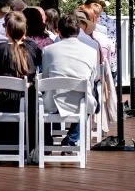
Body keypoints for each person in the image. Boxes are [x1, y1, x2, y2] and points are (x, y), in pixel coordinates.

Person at [41, 13, 98, 147]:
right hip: (80, 103)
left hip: (52, 103)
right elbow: (93, 78)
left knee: (37, 103)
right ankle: (71, 140)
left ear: (59, 32)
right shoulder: (91, 51)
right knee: (91, 99)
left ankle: (47, 142)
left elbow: (45, 77)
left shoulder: (48, 50)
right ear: (79, 31)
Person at [0, 11, 31, 146]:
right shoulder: (29, 51)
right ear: (24, 31)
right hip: (21, 104)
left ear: (7, 32)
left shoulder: (0, 49)